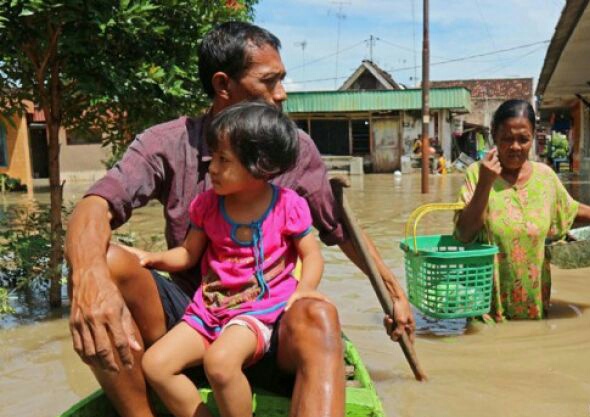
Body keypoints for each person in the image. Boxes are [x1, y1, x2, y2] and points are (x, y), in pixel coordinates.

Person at [65, 21, 415, 417]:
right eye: (269, 82)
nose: (281, 94)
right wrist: (89, 278)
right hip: (195, 314)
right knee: (102, 261)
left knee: (320, 314)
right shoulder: (167, 143)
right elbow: (94, 205)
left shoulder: (293, 149)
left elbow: (339, 230)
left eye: (281, 80)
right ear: (222, 85)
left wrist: (394, 295)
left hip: (266, 321)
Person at [124, 101, 325, 417]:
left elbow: (311, 255)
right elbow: (188, 254)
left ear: (261, 166)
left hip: (257, 313)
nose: (212, 168)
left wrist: (305, 289)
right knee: (156, 365)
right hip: (208, 310)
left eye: (223, 159)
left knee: (219, 363)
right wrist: (151, 259)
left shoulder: (287, 205)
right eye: (212, 157)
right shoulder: (207, 205)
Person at [455, 99, 590, 322]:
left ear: (533, 139)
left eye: (523, 139)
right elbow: (464, 233)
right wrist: (485, 184)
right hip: (487, 313)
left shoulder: (545, 176)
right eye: (507, 139)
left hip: (535, 309)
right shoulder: (477, 174)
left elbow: (569, 211)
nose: (515, 146)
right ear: (494, 137)